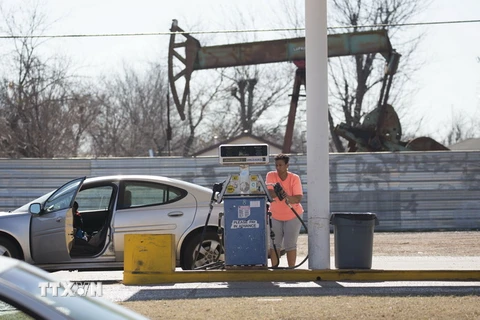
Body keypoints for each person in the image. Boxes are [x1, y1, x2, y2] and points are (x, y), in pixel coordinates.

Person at [266, 153, 304, 268]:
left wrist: (285, 195)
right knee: (274, 243)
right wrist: (279, 193)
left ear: (287, 165)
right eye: (276, 165)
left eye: (281, 165)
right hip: (275, 215)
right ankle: (275, 268)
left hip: (293, 215)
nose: (278, 168)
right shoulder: (271, 175)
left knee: (290, 244)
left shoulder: (294, 178)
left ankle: (291, 268)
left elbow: (297, 198)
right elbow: (269, 193)